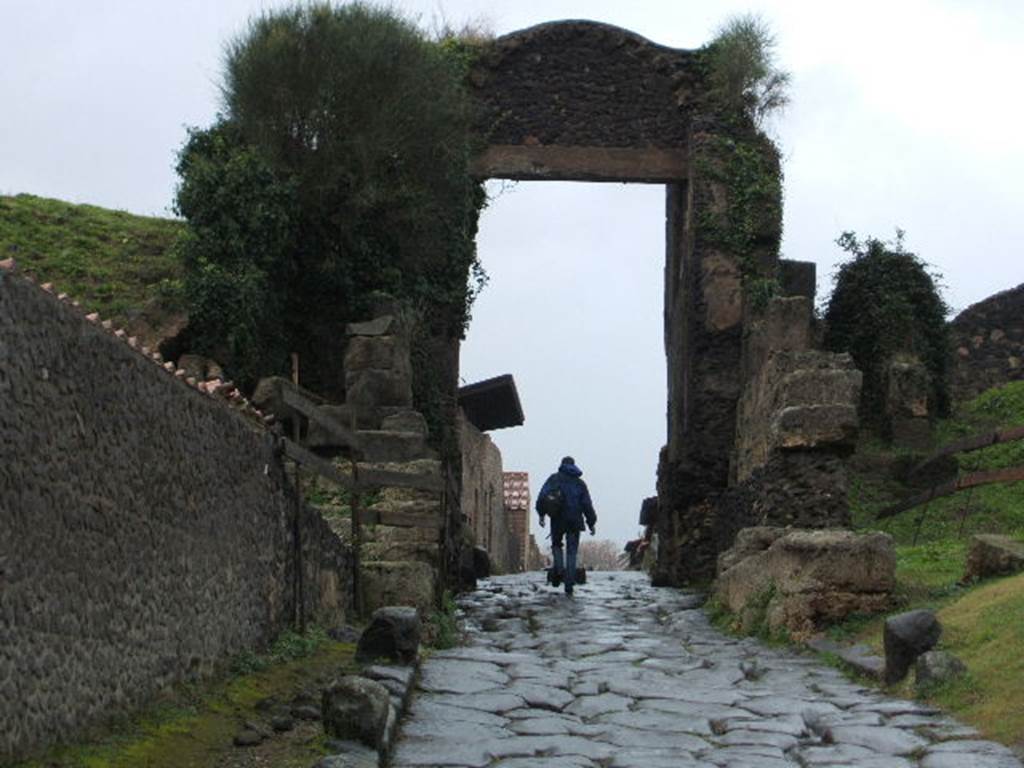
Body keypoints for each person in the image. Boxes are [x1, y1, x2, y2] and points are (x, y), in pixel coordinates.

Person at [536, 456, 597, 596]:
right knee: (572, 551)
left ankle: (558, 570)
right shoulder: (580, 483)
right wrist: (591, 522)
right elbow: (587, 504)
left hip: (557, 518)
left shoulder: (554, 479)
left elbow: (542, 496)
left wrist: (541, 514)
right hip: (575, 520)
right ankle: (569, 584)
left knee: (557, 545)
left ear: (562, 464)